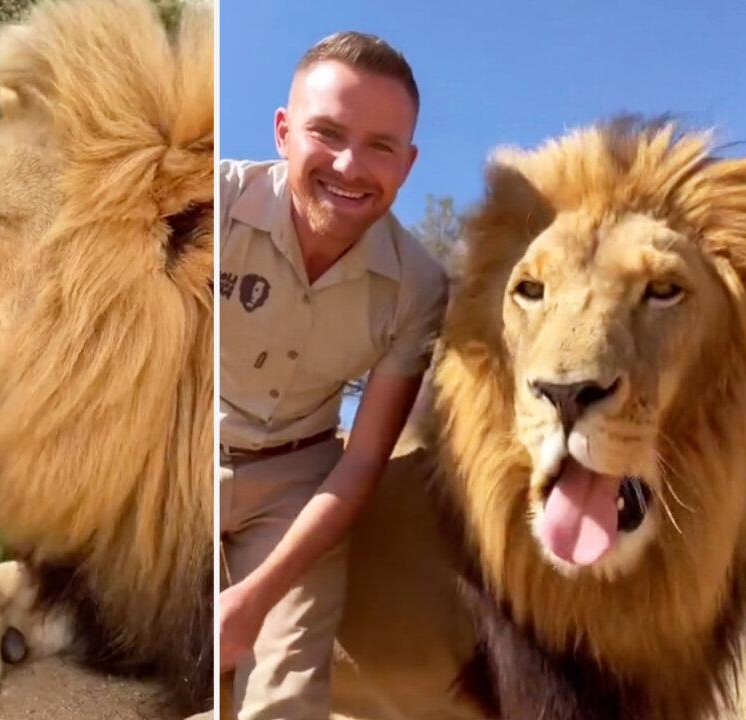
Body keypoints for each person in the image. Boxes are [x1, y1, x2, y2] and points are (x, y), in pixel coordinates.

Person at [218, 31, 448, 718]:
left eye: (381, 146)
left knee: (285, 693)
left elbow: (362, 462)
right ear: (284, 132)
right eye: (327, 132)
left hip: (301, 484)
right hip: (177, 448)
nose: (350, 166)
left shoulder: (419, 288)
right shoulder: (215, 201)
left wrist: (252, 600)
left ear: (406, 166)